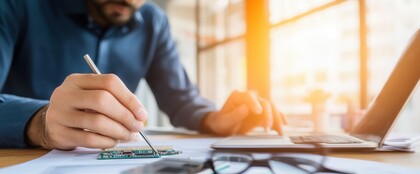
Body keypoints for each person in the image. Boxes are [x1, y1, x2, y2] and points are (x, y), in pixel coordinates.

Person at [0, 0, 284, 150]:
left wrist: (214, 118)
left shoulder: (154, 22)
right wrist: (41, 123)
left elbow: (181, 99)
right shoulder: (17, 5)